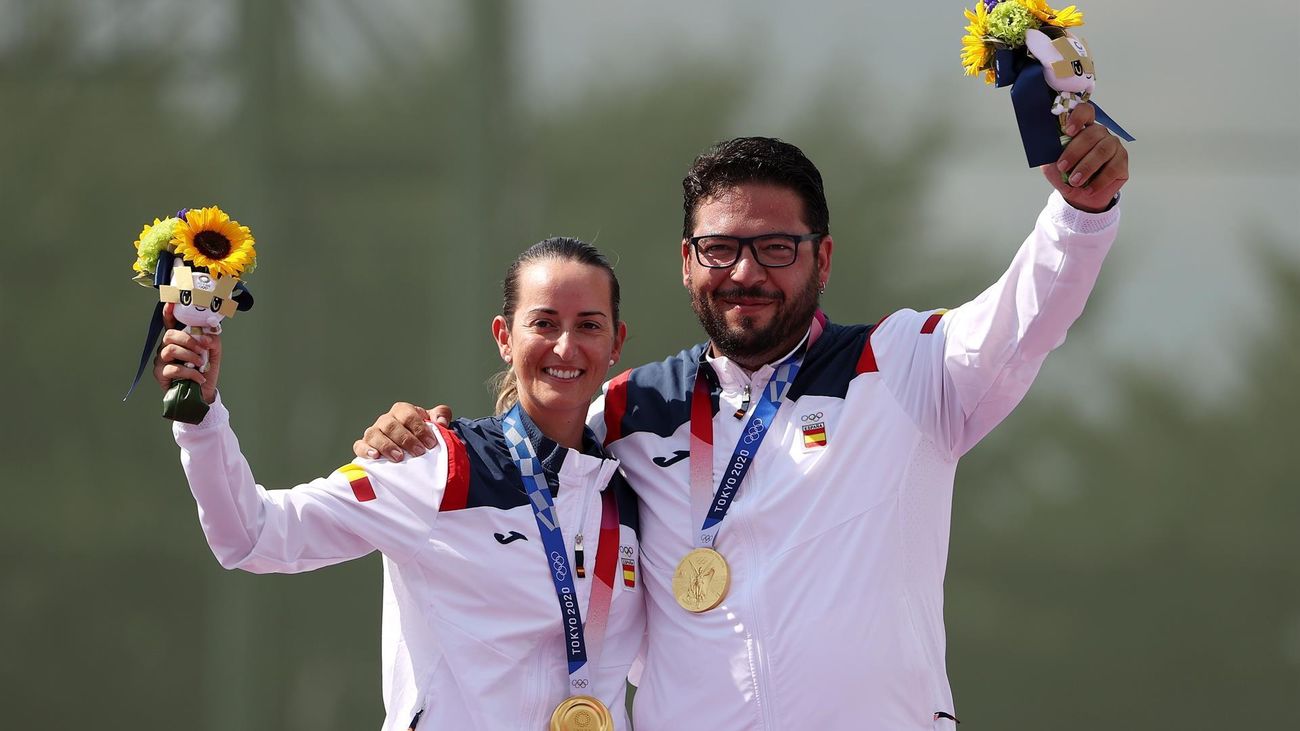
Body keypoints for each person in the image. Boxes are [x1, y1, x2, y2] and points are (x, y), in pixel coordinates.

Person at [357, 104, 1129, 729]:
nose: (747, 273)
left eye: (777, 248)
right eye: (721, 249)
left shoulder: (904, 369)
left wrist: (1080, 215)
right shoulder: (630, 408)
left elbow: (1028, 313)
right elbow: (526, 448)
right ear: (686, 262)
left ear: (822, 259)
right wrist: (420, 438)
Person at [155, 237, 646, 730]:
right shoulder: (433, 463)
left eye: (588, 325)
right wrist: (201, 421)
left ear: (616, 343)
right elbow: (252, 535)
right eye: (543, 323)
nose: (565, 345)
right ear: (504, 337)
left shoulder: (632, 493)